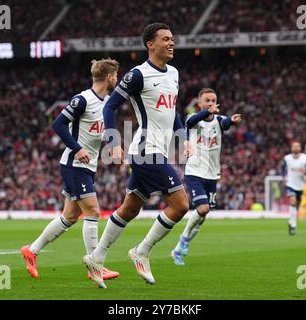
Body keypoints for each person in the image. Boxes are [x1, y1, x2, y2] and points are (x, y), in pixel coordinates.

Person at [83, 23, 194, 288]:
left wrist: (184, 138)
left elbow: (172, 112)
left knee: (130, 208)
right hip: (146, 150)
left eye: (172, 38)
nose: (172, 43)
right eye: (165, 39)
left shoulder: (174, 73)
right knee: (180, 206)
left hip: (158, 149)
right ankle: (142, 252)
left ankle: (96, 257)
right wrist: (113, 140)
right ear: (150, 44)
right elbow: (110, 106)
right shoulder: (138, 75)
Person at [20, 59, 120, 280]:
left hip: (87, 166)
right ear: (110, 77)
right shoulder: (83, 99)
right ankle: (96, 266)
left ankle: (31, 250)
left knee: (70, 216)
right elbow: (58, 124)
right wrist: (76, 148)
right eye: (116, 76)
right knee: (93, 211)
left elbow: (95, 132)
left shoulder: (107, 102)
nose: (118, 79)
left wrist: (112, 146)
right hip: (74, 165)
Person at [171, 88, 242, 265]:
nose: (211, 103)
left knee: (203, 215)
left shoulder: (218, 120)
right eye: (207, 100)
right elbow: (191, 121)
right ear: (200, 103)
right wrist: (206, 112)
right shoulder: (192, 120)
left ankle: (180, 247)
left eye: (213, 100)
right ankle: (184, 240)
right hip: (194, 172)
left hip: (212, 174)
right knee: (203, 209)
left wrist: (232, 121)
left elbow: (225, 122)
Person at [281, 141, 306, 235]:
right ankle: (293, 225)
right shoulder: (287, 158)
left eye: (297, 146)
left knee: (296, 206)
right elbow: (282, 169)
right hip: (290, 184)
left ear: (300, 148)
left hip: (300, 185)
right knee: (292, 201)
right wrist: (283, 176)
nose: (295, 148)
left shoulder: (305, 158)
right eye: (294, 146)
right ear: (291, 148)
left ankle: (291, 221)